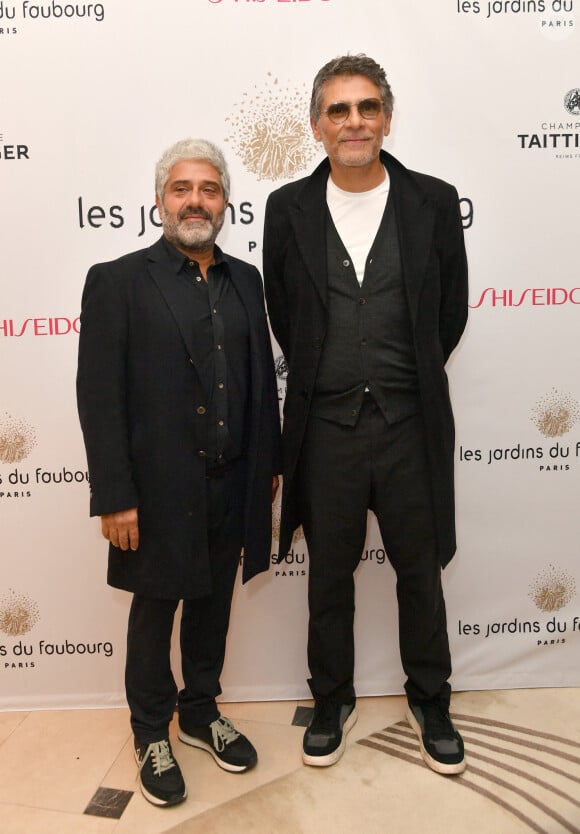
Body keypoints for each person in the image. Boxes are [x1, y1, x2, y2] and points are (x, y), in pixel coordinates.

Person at [263, 55, 468, 775]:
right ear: (317, 124)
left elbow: (449, 312)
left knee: (420, 569)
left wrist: (396, 378)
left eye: (368, 107)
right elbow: (286, 316)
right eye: (340, 109)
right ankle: (331, 699)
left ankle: (432, 698)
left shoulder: (433, 202)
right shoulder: (287, 208)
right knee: (329, 576)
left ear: (388, 116)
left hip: (411, 424)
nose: (355, 121)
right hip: (325, 429)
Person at [77, 138, 281, 807]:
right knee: (154, 607)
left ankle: (199, 712)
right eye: (182, 188)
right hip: (156, 491)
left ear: (225, 202)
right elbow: (99, 396)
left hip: (233, 480)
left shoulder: (245, 280)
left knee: (214, 602)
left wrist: (268, 471)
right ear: (160, 199)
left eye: (210, 189)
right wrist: (115, 495)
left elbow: (259, 386)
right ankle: (149, 730)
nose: (196, 200)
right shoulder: (119, 280)